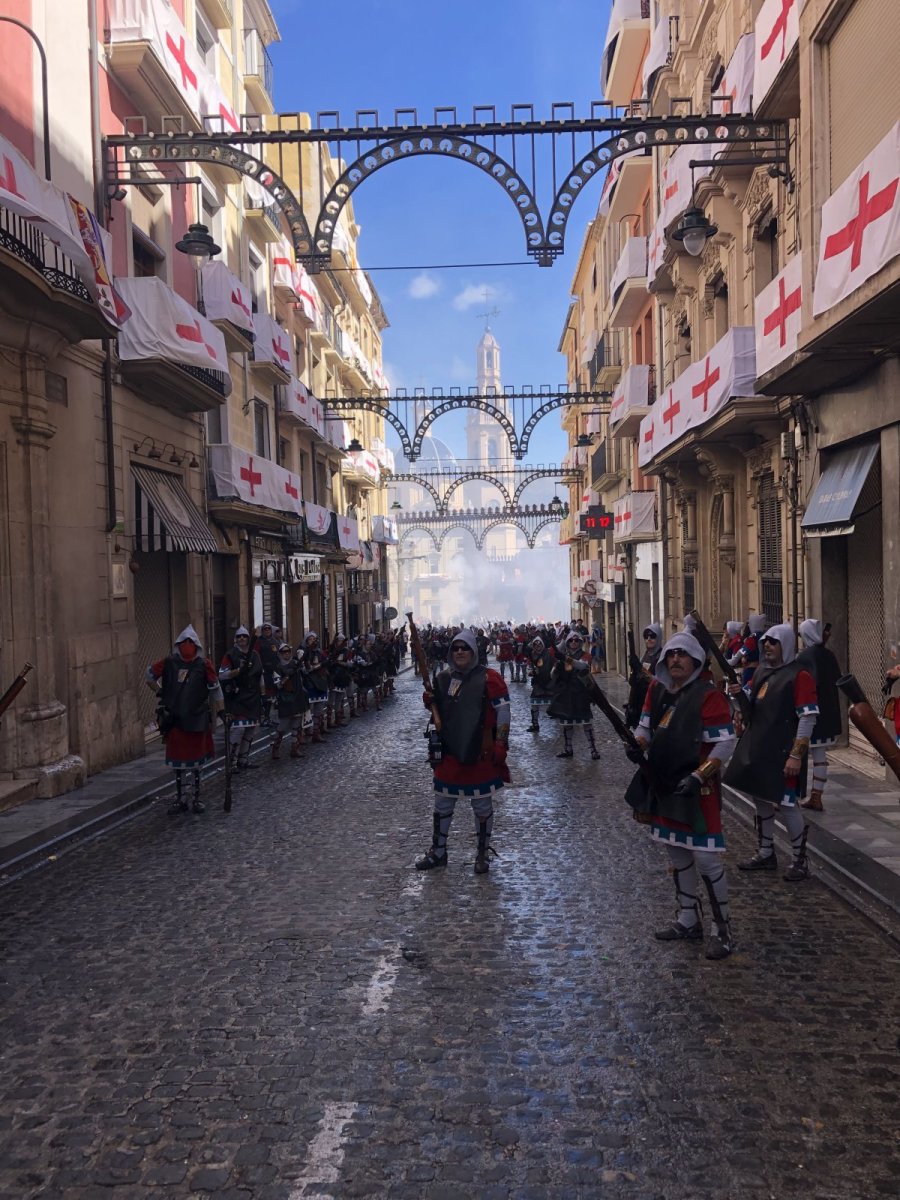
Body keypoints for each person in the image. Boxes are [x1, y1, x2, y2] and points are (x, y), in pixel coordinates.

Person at [624, 631, 737, 959]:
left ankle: (722, 929)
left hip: (697, 787)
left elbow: (725, 741)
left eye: (682, 654)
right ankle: (688, 919)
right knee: (677, 853)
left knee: (706, 858)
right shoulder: (657, 690)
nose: (675, 659)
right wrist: (638, 744)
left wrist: (700, 775)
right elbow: (645, 726)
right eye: (671, 654)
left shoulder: (708, 696)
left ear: (695, 660)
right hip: (664, 782)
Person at [724, 624, 819, 881]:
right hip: (759, 748)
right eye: (765, 641)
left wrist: (796, 755)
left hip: (783, 751)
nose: (767, 645)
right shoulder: (761, 672)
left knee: (787, 804)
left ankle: (800, 859)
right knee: (760, 799)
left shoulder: (800, 676)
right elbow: (746, 704)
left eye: (773, 642)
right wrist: (736, 696)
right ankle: (766, 852)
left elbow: (808, 717)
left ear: (785, 645)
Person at [415, 629, 511, 875]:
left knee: (481, 805)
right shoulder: (444, 678)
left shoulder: (490, 679)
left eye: (464, 648)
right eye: (456, 648)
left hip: (480, 752)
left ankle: (482, 853)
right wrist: (430, 702)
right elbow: (441, 711)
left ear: (473, 651)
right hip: (450, 751)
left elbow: (503, 712)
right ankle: (439, 852)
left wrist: (501, 743)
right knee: (442, 803)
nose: (460, 652)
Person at [146, 625, 222, 815]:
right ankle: (181, 798)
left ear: (195, 644)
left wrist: (222, 711)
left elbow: (215, 688)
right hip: (175, 719)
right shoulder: (169, 662)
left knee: (196, 763)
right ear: (179, 644)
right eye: (184, 642)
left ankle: (196, 797)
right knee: (179, 763)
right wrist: (160, 692)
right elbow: (149, 676)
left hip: (197, 719)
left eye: (190, 642)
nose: (187, 645)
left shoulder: (204, 665)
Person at [797, 618, 843, 812]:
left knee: (795, 753)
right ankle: (816, 795)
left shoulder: (804, 657)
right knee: (819, 755)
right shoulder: (828, 655)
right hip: (828, 713)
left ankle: (790, 795)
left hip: (810, 713)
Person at [548, 632, 600, 759]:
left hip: (582, 693)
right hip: (567, 694)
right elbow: (553, 675)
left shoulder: (585, 655)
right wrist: (556, 666)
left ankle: (593, 750)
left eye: (576, 640)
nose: (574, 642)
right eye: (571, 640)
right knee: (567, 724)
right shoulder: (563, 657)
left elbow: (583, 666)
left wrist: (565, 658)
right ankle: (568, 749)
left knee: (587, 723)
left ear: (580, 642)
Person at [219, 626, 263, 770]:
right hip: (237, 697)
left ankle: (243, 760)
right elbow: (222, 675)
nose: (242, 638)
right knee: (238, 729)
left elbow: (260, 675)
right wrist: (238, 671)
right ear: (235, 639)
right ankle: (231, 762)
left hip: (253, 696)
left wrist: (263, 695)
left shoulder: (255, 655)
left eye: (244, 636)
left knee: (250, 729)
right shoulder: (230, 655)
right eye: (239, 636)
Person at [271, 643, 309, 759]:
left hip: (297, 697)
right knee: (282, 726)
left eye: (288, 651)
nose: (287, 654)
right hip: (286, 699)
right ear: (280, 654)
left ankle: (295, 748)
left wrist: (302, 663)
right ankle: (275, 748)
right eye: (284, 652)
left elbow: (306, 672)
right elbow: (278, 685)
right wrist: (287, 676)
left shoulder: (295, 664)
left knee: (296, 725)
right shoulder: (278, 668)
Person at [625, 623, 662, 729]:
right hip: (639, 703)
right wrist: (634, 671)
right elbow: (634, 681)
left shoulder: (661, 657)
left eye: (652, 636)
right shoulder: (645, 655)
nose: (649, 639)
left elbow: (660, 683)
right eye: (646, 636)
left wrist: (640, 669)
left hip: (652, 704)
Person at [301, 631, 331, 740]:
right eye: (310, 639)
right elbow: (302, 668)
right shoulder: (303, 652)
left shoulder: (320, 652)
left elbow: (326, 662)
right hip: (309, 683)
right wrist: (309, 668)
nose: (312, 641)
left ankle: (316, 732)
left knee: (319, 710)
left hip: (321, 682)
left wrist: (320, 665)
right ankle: (304, 732)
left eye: (314, 639)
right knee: (307, 710)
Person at [526, 635, 556, 732]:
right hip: (538, 684)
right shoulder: (532, 654)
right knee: (534, 704)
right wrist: (532, 672)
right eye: (535, 644)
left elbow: (555, 664)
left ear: (543, 645)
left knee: (556, 702)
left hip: (550, 683)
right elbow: (531, 667)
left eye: (539, 644)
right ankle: (535, 724)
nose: (537, 646)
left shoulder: (549, 653)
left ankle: (560, 717)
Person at [253, 623, 280, 727]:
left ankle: (268, 717)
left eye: (269, 628)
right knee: (264, 696)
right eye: (265, 629)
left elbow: (278, 655)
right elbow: (255, 655)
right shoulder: (259, 642)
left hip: (274, 672)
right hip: (263, 672)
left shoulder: (275, 641)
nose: (267, 630)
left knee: (272, 696)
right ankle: (264, 718)